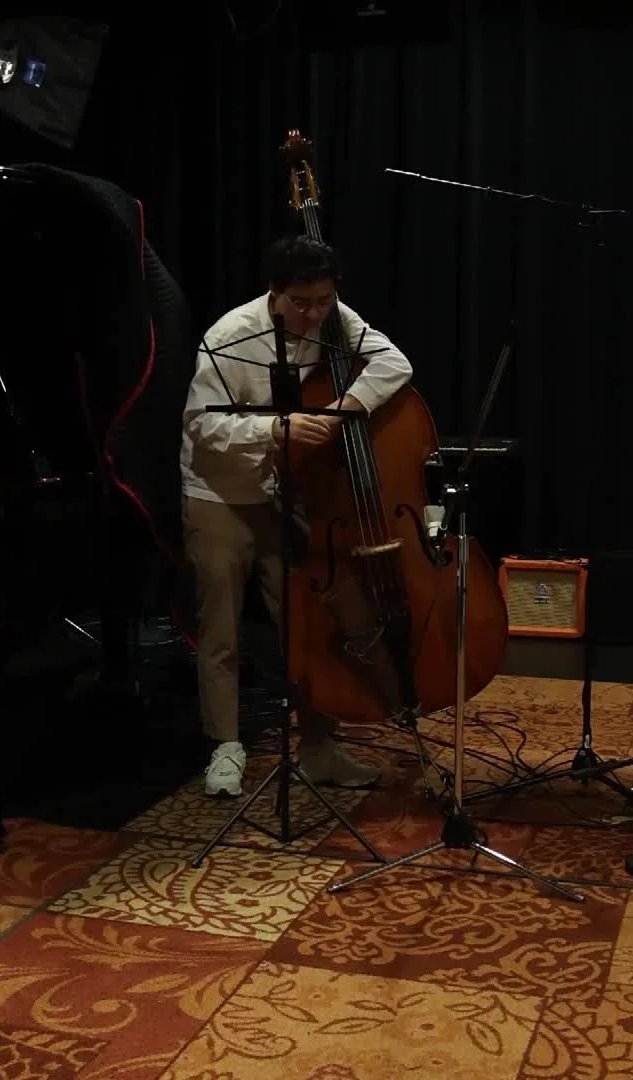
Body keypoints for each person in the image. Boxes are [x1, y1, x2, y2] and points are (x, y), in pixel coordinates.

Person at [180, 235, 408, 797]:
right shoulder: (229, 336)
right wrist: (274, 430)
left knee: (303, 626)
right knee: (222, 628)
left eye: (323, 302)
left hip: (284, 493)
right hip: (220, 491)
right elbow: (201, 426)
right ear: (274, 292)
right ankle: (226, 747)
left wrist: (338, 410)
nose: (313, 316)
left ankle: (319, 748)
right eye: (300, 304)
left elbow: (394, 363)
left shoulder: (334, 317)